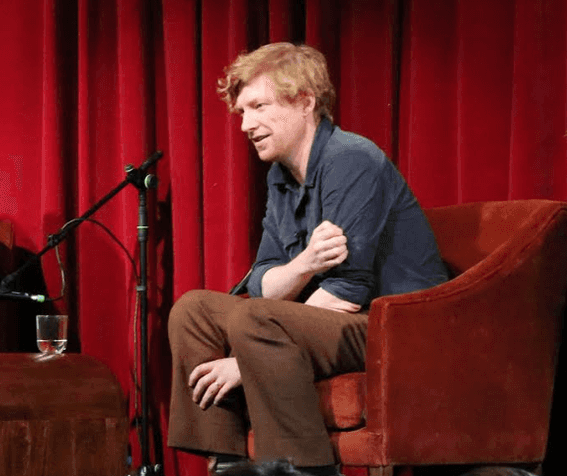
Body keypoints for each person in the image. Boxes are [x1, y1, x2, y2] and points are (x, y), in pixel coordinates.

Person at [167, 43, 449, 476]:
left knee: (257, 320)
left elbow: (346, 292)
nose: (245, 124)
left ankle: (302, 469)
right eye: (242, 112)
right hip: (330, 323)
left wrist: (243, 362)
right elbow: (264, 280)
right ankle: (228, 463)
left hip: (392, 326)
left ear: (304, 102)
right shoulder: (280, 177)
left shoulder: (351, 160)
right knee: (195, 309)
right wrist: (304, 265)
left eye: (259, 106)